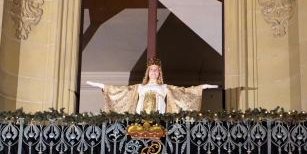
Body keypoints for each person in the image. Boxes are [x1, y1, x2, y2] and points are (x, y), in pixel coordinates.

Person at [86, 57, 218, 114]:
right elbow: (121, 91)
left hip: (158, 115)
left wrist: (202, 87)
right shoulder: (139, 87)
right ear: (148, 72)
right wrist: (103, 85)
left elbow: (183, 92)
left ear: (159, 72)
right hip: (140, 116)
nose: (153, 72)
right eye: (151, 70)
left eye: (156, 70)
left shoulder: (164, 87)